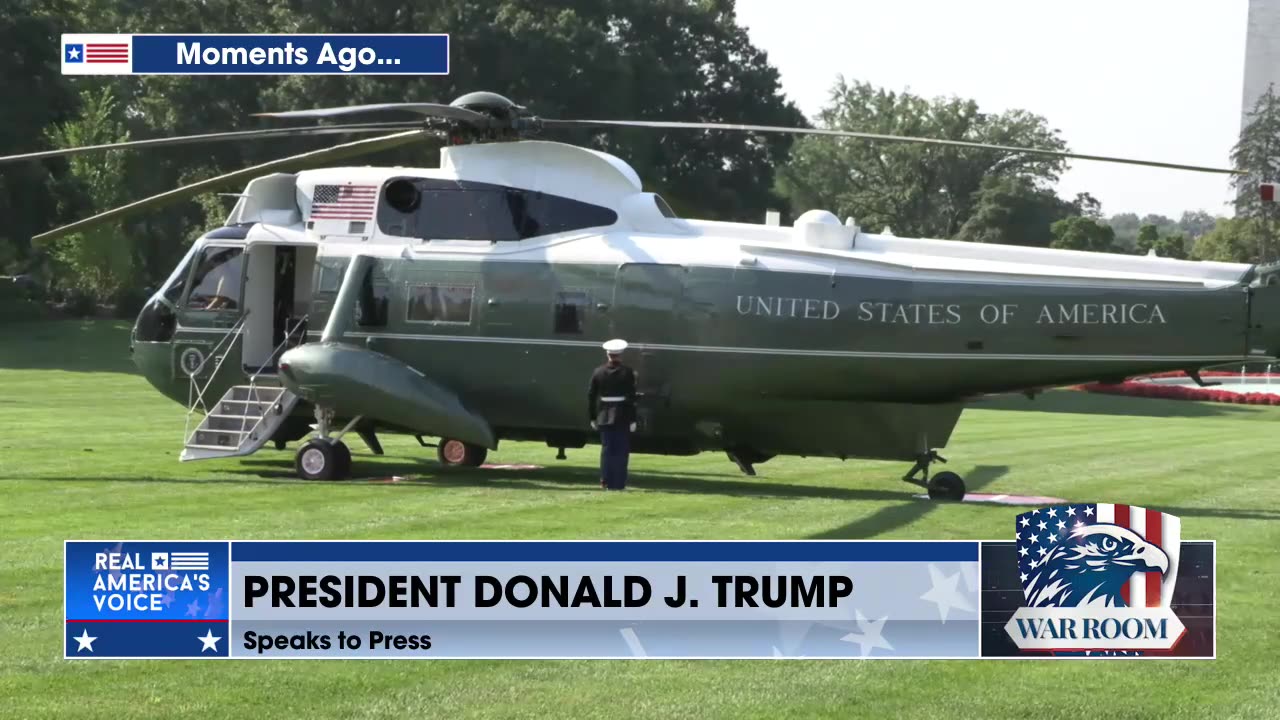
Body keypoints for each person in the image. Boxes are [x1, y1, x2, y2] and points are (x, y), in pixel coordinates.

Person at [588, 339, 638, 490]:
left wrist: (592, 416)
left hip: (604, 413)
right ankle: (619, 483)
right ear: (620, 354)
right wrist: (632, 419)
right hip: (622, 413)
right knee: (621, 451)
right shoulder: (627, 372)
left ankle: (605, 480)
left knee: (607, 449)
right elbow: (631, 397)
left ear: (607, 354)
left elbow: (591, 395)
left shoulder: (598, 371)